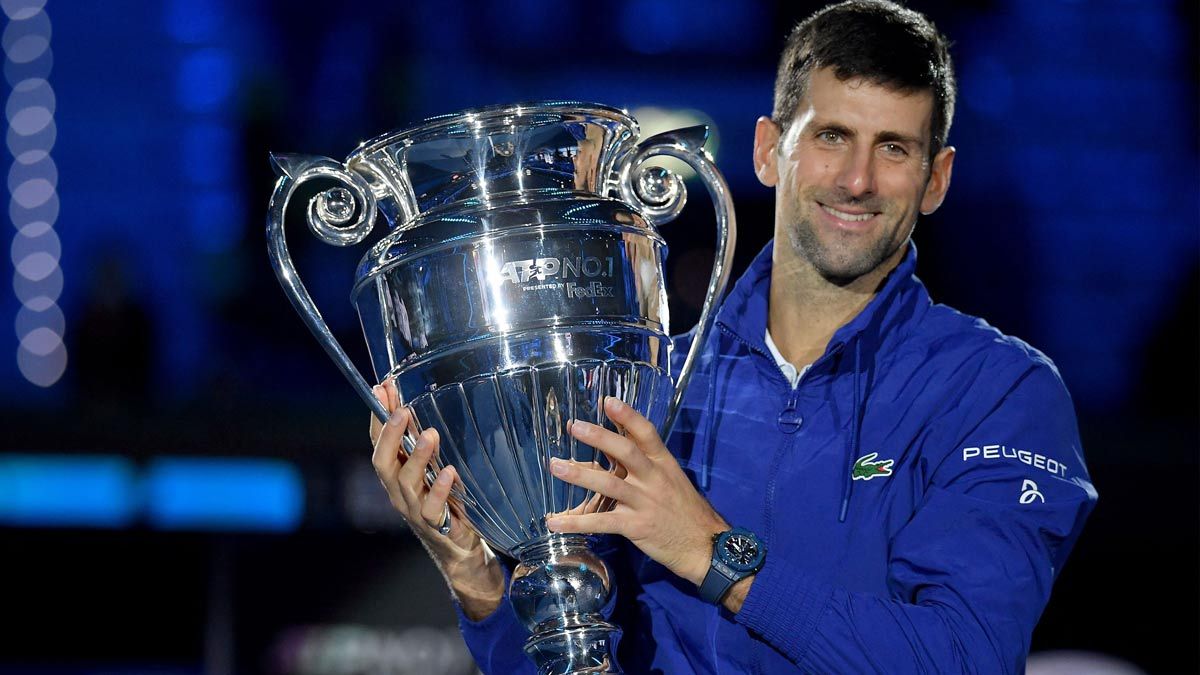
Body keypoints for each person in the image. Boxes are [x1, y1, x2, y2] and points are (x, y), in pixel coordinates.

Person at [370, 1, 1098, 672]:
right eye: (832, 136)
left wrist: (715, 554)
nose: (857, 178)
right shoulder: (641, 383)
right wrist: (481, 585)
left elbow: (966, 656)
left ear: (936, 180)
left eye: (895, 149)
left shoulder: (999, 391)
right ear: (767, 149)